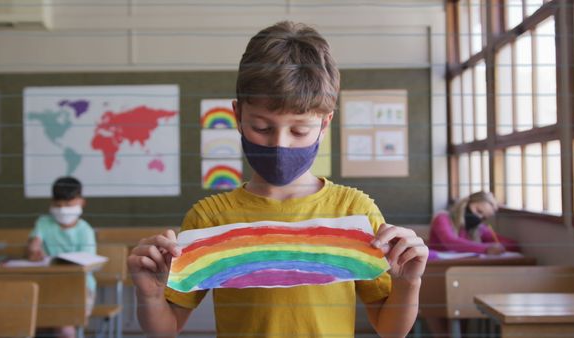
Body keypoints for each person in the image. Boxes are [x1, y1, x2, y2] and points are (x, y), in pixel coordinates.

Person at [127, 21, 429, 338]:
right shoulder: (210, 218)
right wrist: (149, 294)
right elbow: (167, 328)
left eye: (299, 131)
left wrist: (408, 283)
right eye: (262, 127)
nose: (280, 144)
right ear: (237, 116)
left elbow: (390, 329)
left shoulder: (353, 212)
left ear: (325, 123)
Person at [27, 176, 96, 338]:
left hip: (79, 287)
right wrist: (32, 249)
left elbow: (87, 263)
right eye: (58, 205)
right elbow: (33, 246)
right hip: (45, 285)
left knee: (64, 327)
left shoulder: (85, 231)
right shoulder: (43, 223)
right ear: (51, 203)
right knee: (27, 319)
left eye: (69, 205)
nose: (63, 210)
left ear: (81, 202)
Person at [428, 191, 519, 255]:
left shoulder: (478, 228)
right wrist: (486, 248)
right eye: (478, 211)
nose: (479, 218)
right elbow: (451, 242)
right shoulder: (442, 218)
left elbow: (512, 244)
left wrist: (499, 247)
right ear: (467, 203)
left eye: (484, 217)